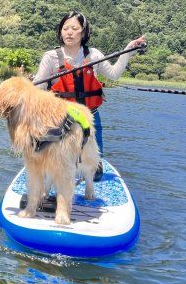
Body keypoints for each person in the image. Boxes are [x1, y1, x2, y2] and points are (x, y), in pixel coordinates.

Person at [32, 11, 146, 181]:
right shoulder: (50, 57)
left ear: (83, 32)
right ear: (60, 31)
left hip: (89, 117)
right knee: (58, 166)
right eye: (65, 28)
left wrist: (128, 51)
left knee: (96, 175)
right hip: (60, 118)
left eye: (74, 28)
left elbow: (114, 74)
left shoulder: (94, 55)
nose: (69, 32)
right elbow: (39, 88)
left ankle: (89, 166)